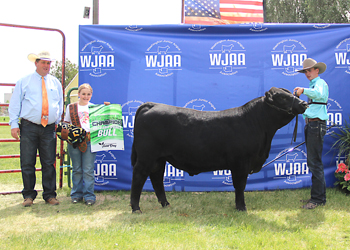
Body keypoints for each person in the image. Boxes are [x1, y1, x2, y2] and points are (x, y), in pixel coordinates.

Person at [9, 51, 63, 207]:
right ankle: (28, 195)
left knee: (49, 162)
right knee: (27, 161)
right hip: (29, 126)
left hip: (49, 128)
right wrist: (14, 123)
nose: (46, 66)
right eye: (43, 63)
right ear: (36, 63)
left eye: (48, 63)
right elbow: (15, 104)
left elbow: (59, 103)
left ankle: (50, 195)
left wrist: (57, 122)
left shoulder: (55, 82)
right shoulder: (24, 81)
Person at [64, 84, 109, 206]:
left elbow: (103, 122)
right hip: (74, 141)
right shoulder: (71, 107)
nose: (86, 96)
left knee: (88, 169)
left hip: (89, 140)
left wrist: (107, 110)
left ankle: (89, 195)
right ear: (78, 94)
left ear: (91, 95)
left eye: (88, 94)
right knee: (77, 169)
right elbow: (66, 123)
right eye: (83, 94)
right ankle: (76, 194)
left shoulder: (94, 107)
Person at [294, 58, 329, 209]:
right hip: (311, 125)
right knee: (313, 162)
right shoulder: (313, 85)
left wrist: (304, 90)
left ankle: (317, 199)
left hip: (316, 125)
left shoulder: (320, 84)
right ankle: (317, 197)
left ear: (317, 70)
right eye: (305, 71)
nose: (307, 73)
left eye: (309, 70)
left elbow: (319, 95)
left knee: (315, 162)